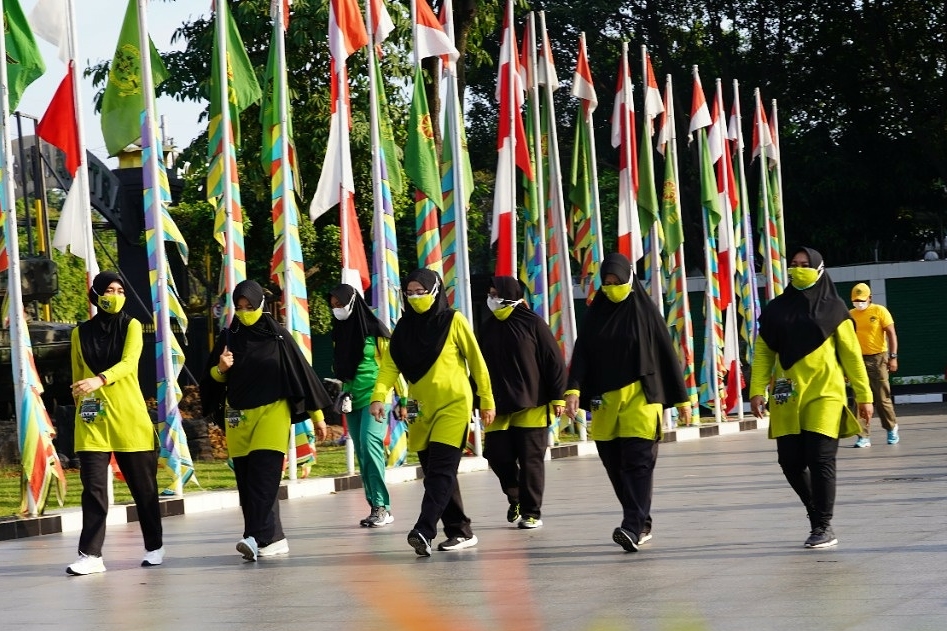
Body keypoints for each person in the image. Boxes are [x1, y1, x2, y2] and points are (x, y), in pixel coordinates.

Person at [563, 253, 691, 554]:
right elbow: (582, 353)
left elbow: (666, 353)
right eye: (605, 283)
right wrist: (573, 390)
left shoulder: (645, 312)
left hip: (642, 398)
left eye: (616, 282)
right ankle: (640, 522)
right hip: (605, 401)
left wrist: (683, 399)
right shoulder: (595, 314)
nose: (610, 288)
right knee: (615, 465)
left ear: (628, 280)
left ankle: (631, 526)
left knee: (637, 463)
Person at [750, 247, 872, 549]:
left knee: (820, 458)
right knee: (789, 461)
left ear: (819, 269)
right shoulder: (777, 309)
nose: (798, 269)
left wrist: (864, 395)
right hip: (786, 392)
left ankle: (823, 525)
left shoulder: (835, 309)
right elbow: (764, 351)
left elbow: (852, 356)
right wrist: (756, 389)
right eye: (793, 265)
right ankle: (814, 512)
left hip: (825, 393)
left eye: (805, 265)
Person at [200, 280, 331, 562]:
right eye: (239, 307)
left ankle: (252, 536)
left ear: (261, 304)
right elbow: (210, 379)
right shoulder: (228, 337)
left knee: (264, 477)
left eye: (250, 306)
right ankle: (272, 539)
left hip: (273, 412)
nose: (245, 311)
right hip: (238, 417)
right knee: (248, 483)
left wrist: (318, 418)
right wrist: (221, 369)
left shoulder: (278, 337)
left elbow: (303, 375)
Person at [369, 269, 495, 556]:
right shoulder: (403, 326)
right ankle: (460, 530)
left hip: (454, 404)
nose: (414, 297)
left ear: (435, 290)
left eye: (420, 291)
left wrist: (486, 399)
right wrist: (379, 396)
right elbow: (390, 366)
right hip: (419, 408)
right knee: (436, 474)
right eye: (409, 292)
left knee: (440, 471)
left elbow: (477, 362)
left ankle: (423, 530)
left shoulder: (454, 320)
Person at [67, 271, 164, 575]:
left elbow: (129, 362)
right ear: (96, 294)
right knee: (93, 489)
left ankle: (154, 546)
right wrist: (80, 401)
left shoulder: (132, 326)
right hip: (93, 421)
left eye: (120, 290)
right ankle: (91, 555)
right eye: (109, 290)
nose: (115, 295)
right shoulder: (79, 333)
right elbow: (76, 374)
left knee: (143, 488)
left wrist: (99, 380)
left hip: (128, 418)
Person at [478, 276, 566, 530]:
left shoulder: (533, 323)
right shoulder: (488, 326)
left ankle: (531, 512)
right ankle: (514, 494)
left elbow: (553, 361)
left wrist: (558, 396)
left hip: (533, 403)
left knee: (531, 460)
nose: (492, 298)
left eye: (496, 293)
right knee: (496, 455)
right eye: (490, 293)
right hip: (497, 405)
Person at [329, 283, 400, 527]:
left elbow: (393, 365)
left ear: (353, 302)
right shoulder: (339, 332)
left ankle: (383, 506)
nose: (337, 309)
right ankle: (374, 506)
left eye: (341, 304)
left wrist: (403, 398)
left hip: (377, 397)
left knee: (371, 445)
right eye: (334, 306)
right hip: (352, 399)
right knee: (361, 451)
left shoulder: (375, 330)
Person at [849, 282, 900, 447]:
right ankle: (863, 436)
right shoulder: (850, 314)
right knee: (859, 398)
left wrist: (893, 357)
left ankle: (891, 428)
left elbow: (891, 333)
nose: (859, 302)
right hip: (858, 359)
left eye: (862, 299)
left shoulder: (879, 311)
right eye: (856, 300)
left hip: (879, 358)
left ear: (870, 298)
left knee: (881, 397)